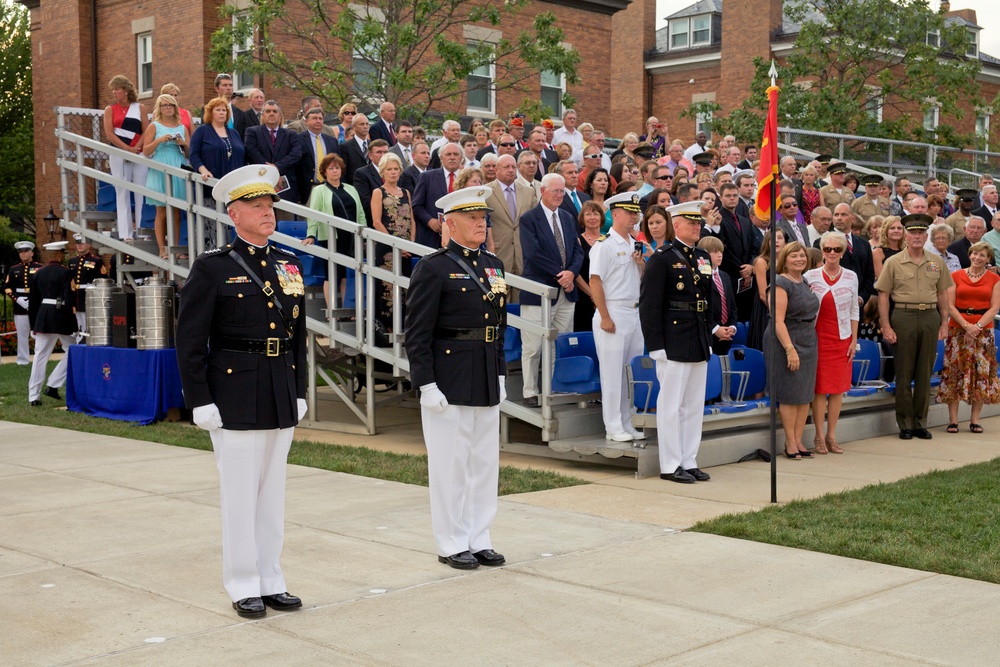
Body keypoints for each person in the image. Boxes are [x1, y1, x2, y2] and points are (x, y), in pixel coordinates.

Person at [175, 164, 307, 619]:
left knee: (273, 494)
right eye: (256, 206)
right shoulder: (213, 267)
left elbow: (298, 336)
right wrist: (199, 399)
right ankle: (243, 583)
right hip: (232, 393)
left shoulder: (288, 264)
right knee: (240, 494)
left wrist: (300, 388)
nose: (268, 213)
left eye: (270, 205)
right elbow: (189, 340)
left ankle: (271, 578)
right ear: (234, 214)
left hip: (278, 388)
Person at [403, 186, 507, 571]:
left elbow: (499, 324)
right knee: (450, 465)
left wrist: (498, 372)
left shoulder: (494, 265)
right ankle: (451, 541)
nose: (481, 223)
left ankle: (480, 537)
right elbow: (417, 332)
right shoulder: (433, 267)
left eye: (483, 217)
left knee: (484, 464)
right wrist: (425, 383)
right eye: (472, 218)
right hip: (448, 380)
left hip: (483, 374)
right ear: (450, 223)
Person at [640, 200, 728, 483]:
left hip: (698, 337)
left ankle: (689, 460)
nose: (696, 226)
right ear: (676, 225)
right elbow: (650, 305)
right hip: (673, 339)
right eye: (691, 223)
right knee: (671, 405)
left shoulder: (702, 256)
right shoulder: (663, 257)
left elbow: (708, 298)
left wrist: (710, 334)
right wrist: (655, 345)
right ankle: (670, 464)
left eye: (698, 223)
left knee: (692, 405)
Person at [875, 214, 954, 440]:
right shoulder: (893, 262)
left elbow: (942, 293)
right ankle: (905, 424)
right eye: (912, 233)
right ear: (906, 236)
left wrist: (945, 322)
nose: (916, 236)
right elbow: (883, 295)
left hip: (929, 315)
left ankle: (920, 422)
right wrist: (886, 325)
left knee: (924, 373)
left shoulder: (936, 261)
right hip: (903, 315)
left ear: (926, 235)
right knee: (904, 372)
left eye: (921, 233)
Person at [518, 174, 585, 407]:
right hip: (539, 293)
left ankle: (554, 388)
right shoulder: (529, 219)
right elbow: (533, 255)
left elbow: (578, 251)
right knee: (534, 346)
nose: (559, 195)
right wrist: (561, 275)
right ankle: (530, 391)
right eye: (555, 191)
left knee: (561, 344)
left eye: (562, 191)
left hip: (566, 293)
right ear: (542, 191)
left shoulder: (567, 217)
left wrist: (571, 274)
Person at [589, 192, 646, 442]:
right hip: (613, 310)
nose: (634, 217)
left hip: (634, 311)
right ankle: (613, 427)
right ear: (616, 214)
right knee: (612, 373)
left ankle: (627, 421)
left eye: (635, 212)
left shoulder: (634, 243)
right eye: (629, 212)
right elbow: (595, 281)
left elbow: (638, 279)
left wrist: (641, 263)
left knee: (628, 373)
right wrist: (604, 316)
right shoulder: (605, 244)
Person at [763, 242, 820, 459]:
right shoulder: (779, 283)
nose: (799, 259)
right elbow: (777, 320)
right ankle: (789, 442)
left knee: (805, 393)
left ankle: (799, 440)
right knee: (789, 392)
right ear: (784, 260)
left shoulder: (804, 281)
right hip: (785, 339)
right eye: (794, 256)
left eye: (802, 256)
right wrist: (789, 349)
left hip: (807, 337)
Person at [805, 231, 859, 455]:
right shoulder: (810, 276)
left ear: (843, 252)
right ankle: (818, 435)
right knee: (819, 389)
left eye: (837, 249)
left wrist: (853, 340)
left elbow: (855, 309)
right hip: (817, 337)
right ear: (822, 251)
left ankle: (832, 435)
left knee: (837, 390)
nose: (832, 253)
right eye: (827, 249)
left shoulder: (851, 276)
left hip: (842, 337)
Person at [938, 241, 1000, 434]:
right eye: (974, 254)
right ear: (969, 255)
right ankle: (953, 421)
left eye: (982, 255)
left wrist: (978, 327)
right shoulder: (955, 276)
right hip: (958, 330)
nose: (977, 258)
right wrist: (966, 326)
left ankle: (974, 420)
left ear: (988, 259)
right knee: (955, 372)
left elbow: (995, 307)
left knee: (981, 374)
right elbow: (949, 305)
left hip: (984, 332)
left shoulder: (994, 279)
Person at [303, 154, 365, 308]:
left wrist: (364, 235)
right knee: (331, 274)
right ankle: (332, 312)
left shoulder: (351, 188)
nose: (335, 171)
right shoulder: (319, 190)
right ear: (324, 171)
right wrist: (311, 234)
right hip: (330, 236)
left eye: (337, 168)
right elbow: (313, 214)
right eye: (331, 168)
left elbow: (361, 213)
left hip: (350, 237)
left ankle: (343, 309)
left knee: (345, 274)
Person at [27, 241, 77, 406]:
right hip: (60, 315)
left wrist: (33, 324)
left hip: (43, 316)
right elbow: (69, 299)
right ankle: (53, 383)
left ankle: (33, 395)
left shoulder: (38, 273)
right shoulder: (66, 272)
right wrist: (73, 325)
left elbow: (33, 302)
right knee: (73, 350)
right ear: (59, 255)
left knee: (40, 356)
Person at [102, 75, 148, 243]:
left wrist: (135, 149)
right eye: (113, 89)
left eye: (117, 89)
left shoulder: (140, 107)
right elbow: (109, 134)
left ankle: (143, 231)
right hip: (119, 153)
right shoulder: (110, 109)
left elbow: (146, 130)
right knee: (122, 192)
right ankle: (126, 233)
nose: (114, 92)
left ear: (126, 90)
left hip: (139, 152)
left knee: (141, 191)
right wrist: (126, 149)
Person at [371, 153, 414, 333]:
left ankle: (403, 326)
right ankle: (386, 328)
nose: (393, 172)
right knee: (386, 287)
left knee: (405, 287)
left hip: (406, 248)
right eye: (389, 169)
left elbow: (412, 219)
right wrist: (395, 245)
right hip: (387, 248)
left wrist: (411, 244)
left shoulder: (406, 192)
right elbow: (376, 221)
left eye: (396, 169)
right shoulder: (378, 192)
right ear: (382, 171)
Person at [142, 94, 188, 259]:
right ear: (159, 108)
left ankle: (174, 248)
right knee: (161, 210)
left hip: (177, 164)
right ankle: (162, 249)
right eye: (165, 105)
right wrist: (159, 140)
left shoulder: (182, 127)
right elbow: (146, 151)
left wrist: (183, 143)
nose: (168, 107)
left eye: (171, 105)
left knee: (176, 211)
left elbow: (190, 153)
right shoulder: (154, 126)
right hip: (160, 166)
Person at [244, 100, 303, 207]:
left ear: (279, 115)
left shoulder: (291, 134)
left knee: (285, 220)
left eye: (275, 111)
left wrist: (276, 167)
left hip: (286, 188)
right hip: (260, 183)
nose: (271, 113)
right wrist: (270, 171)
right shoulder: (252, 132)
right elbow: (251, 150)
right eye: (268, 111)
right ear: (262, 115)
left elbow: (296, 154)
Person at [189, 98, 245, 199]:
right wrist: (203, 171)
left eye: (224, 110)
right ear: (210, 113)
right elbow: (194, 155)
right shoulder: (202, 131)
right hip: (211, 184)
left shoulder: (234, 133)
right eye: (218, 110)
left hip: (234, 187)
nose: (222, 113)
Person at [746, 229, 786, 351]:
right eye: (773, 239)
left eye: (780, 238)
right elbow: (763, 293)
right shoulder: (761, 261)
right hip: (766, 308)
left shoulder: (788, 261)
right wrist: (775, 310)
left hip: (784, 307)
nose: (776, 241)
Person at [698, 235, 738, 357]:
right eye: (715, 252)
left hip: (726, 335)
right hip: (708, 333)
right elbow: (702, 307)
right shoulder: (699, 277)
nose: (720, 255)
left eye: (721, 251)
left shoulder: (725, 277)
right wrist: (715, 329)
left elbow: (732, 305)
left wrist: (732, 326)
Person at [5, 241, 42, 365]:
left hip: (36, 306)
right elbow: (7, 287)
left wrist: (35, 299)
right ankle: (22, 360)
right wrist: (17, 299)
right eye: (21, 252)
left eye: (25, 251)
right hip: (20, 306)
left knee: (39, 334)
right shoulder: (14, 269)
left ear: (32, 252)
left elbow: (44, 286)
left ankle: (39, 359)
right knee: (22, 335)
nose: (23, 254)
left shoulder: (40, 268)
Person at [296, 107, 341, 204]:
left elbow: (339, 164)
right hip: (308, 190)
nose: (318, 121)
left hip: (329, 187)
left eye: (320, 119)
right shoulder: (298, 140)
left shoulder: (332, 141)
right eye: (315, 118)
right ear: (306, 122)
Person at [68, 233, 108, 337]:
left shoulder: (96, 260)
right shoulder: (72, 261)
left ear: (88, 245)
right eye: (77, 243)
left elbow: (103, 280)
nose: (79, 245)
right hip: (76, 296)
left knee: (89, 323)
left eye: (82, 243)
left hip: (90, 295)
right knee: (78, 324)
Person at [574, 200, 604, 332]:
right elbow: (575, 272)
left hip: (607, 296)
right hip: (584, 298)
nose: (592, 217)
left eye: (596, 214)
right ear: (582, 218)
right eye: (588, 214)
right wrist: (593, 294)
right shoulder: (577, 241)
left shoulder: (608, 240)